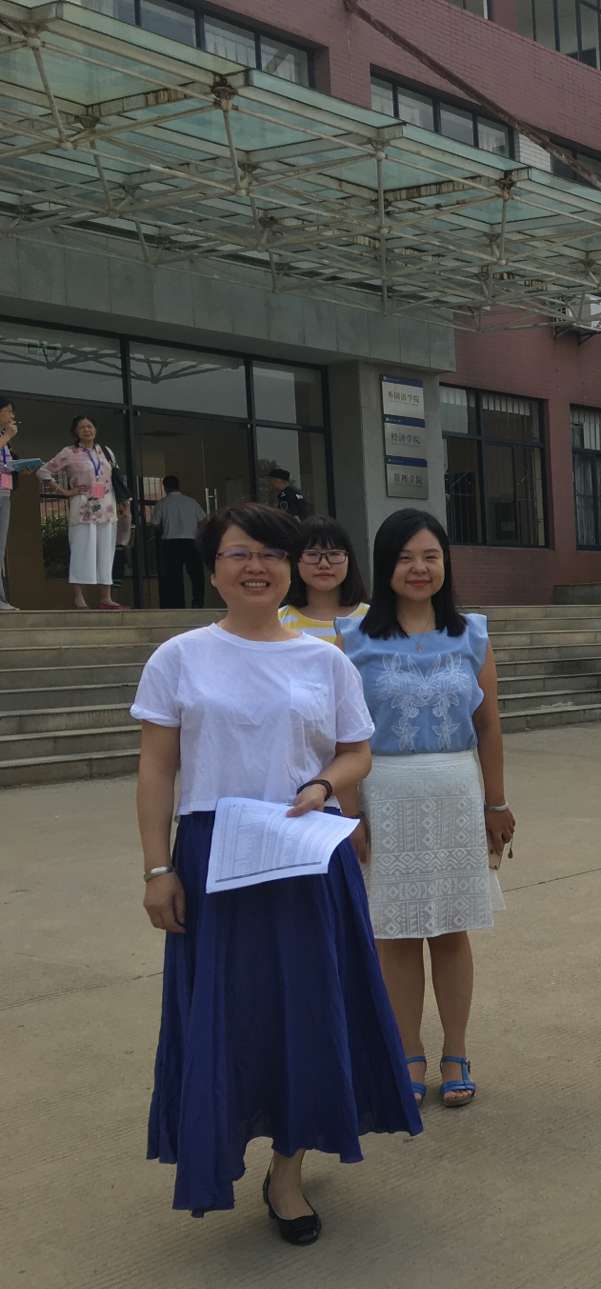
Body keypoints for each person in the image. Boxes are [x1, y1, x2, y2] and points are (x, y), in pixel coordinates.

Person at [132, 502, 421, 1243]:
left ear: (290, 570)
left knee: (309, 1008)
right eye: (239, 553)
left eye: (270, 553)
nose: (255, 566)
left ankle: (288, 1171)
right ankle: (222, 1142)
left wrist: (325, 784)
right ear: (214, 569)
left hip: (303, 851)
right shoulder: (179, 657)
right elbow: (157, 767)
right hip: (214, 855)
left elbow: (357, 750)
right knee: (230, 1010)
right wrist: (158, 867)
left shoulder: (324, 660)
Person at [340, 509, 513, 1111]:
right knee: (394, 932)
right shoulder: (352, 638)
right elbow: (344, 735)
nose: (419, 568)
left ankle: (456, 1051)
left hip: (455, 791)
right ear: (385, 566)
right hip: (383, 792)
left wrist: (496, 802)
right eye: (405, 557)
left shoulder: (473, 634)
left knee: (450, 928)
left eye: (430, 556)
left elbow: (488, 725)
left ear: (446, 564)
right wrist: (351, 815)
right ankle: (407, 1052)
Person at [39, 414, 122, 610]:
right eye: (82, 427)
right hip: (83, 504)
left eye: (90, 426)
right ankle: (79, 597)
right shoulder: (69, 452)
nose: (87, 430)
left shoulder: (106, 451)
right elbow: (43, 471)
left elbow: (116, 478)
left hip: (106, 504)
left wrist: (124, 504)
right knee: (81, 549)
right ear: (75, 431)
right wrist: (64, 491)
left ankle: (105, 596)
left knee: (106, 550)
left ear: (95, 429)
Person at [279, 515, 370, 644]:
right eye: (312, 554)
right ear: (295, 560)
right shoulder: (278, 621)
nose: (324, 564)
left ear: (349, 560)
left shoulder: (372, 619)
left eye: (334, 554)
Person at [153, 476, 207, 609]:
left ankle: (177, 605)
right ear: (179, 485)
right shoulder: (191, 502)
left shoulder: (162, 503)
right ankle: (197, 602)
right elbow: (202, 521)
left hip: (170, 542)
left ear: (165, 487)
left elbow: (155, 524)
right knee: (196, 574)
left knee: (173, 576)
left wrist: (165, 529)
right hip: (191, 541)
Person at [0, 395, 24, 611]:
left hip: (4, 493)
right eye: (8, 410)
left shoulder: (4, 437)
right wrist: (7, 435)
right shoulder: (5, 436)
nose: (12, 415)